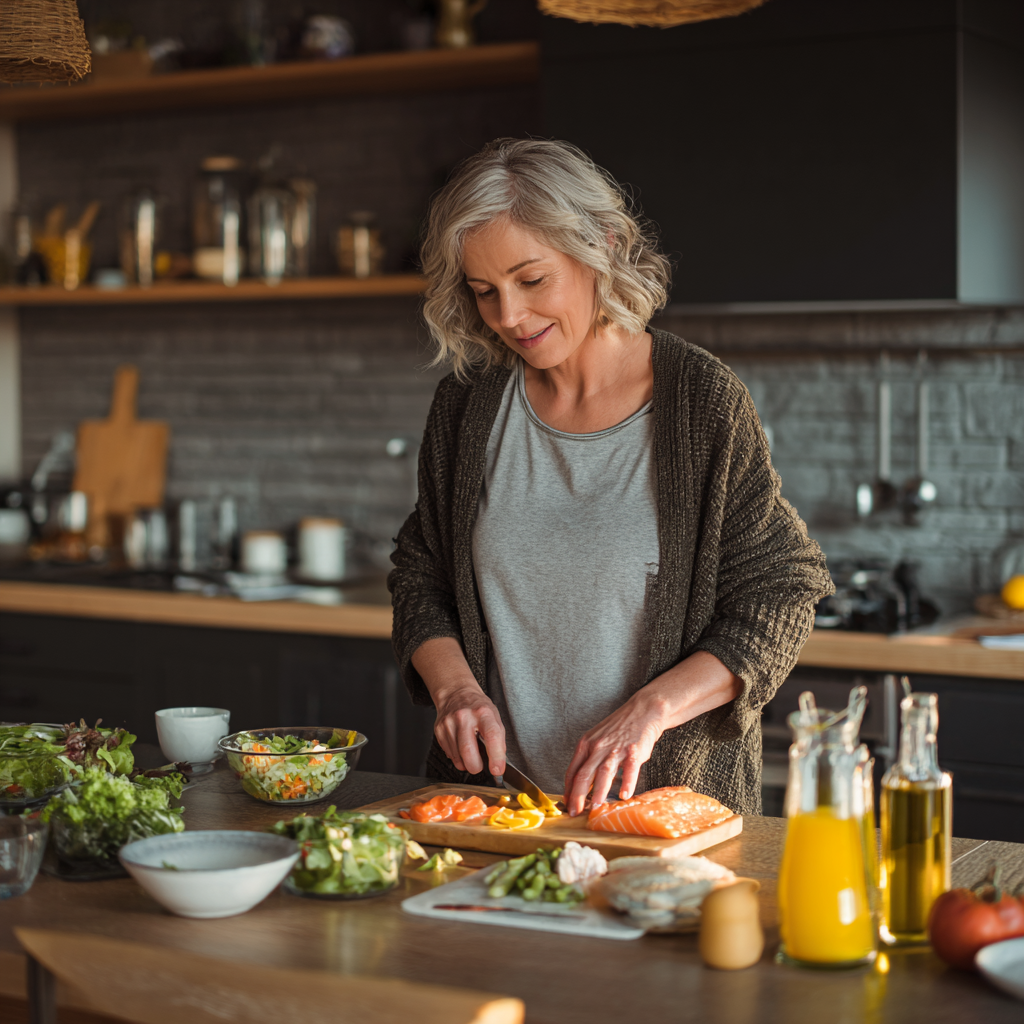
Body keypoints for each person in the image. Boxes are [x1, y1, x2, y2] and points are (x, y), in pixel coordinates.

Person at [388, 138, 833, 817]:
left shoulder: (702, 401)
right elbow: (422, 573)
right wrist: (455, 692)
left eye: (531, 280)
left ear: (604, 243)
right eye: (484, 292)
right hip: (498, 812)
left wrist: (650, 711)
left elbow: (781, 592)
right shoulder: (468, 405)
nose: (508, 316)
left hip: (662, 816)